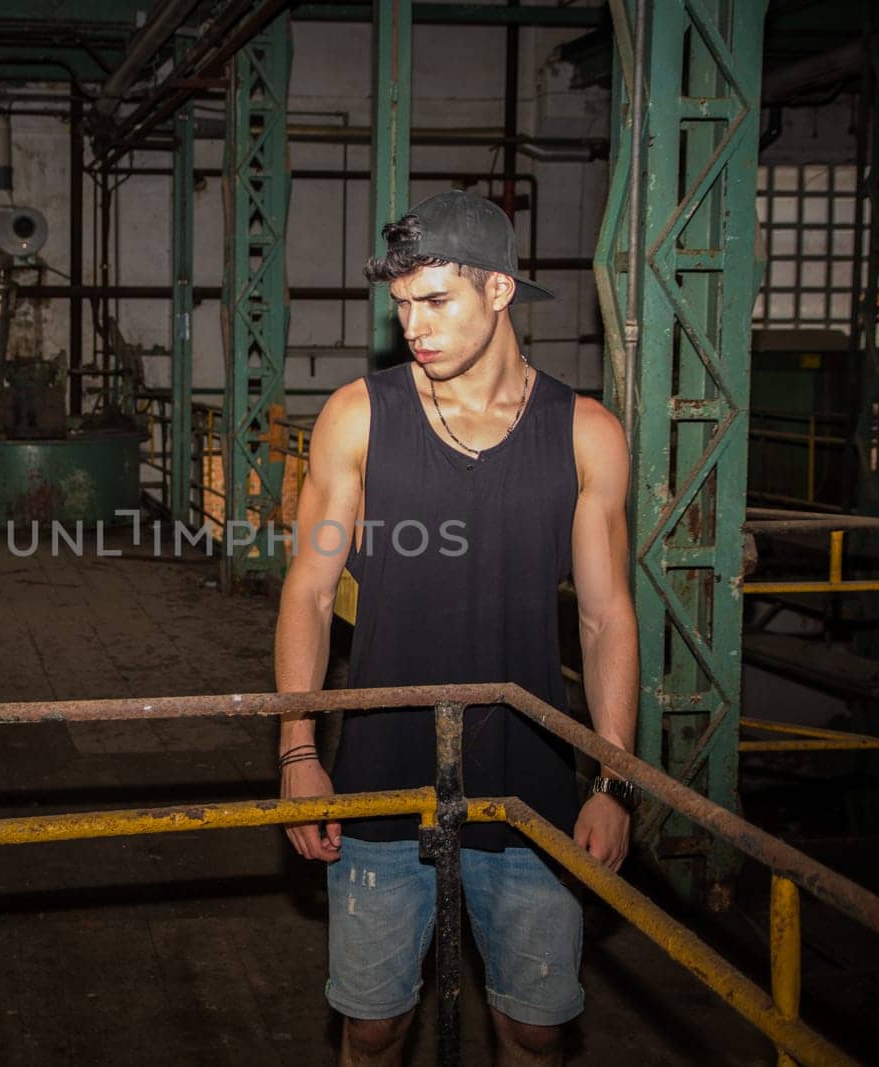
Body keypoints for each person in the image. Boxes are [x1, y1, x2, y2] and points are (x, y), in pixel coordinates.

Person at [273, 190, 639, 1066]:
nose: (415, 326)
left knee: (535, 1027)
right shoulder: (358, 418)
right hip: (382, 769)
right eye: (402, 306)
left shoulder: (585, 434)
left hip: (531, 774)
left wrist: (615, 777)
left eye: (436, 301)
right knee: (373, 1023)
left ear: (500, 291)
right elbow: (310, 593)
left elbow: (604, 615)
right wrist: (297, 748)